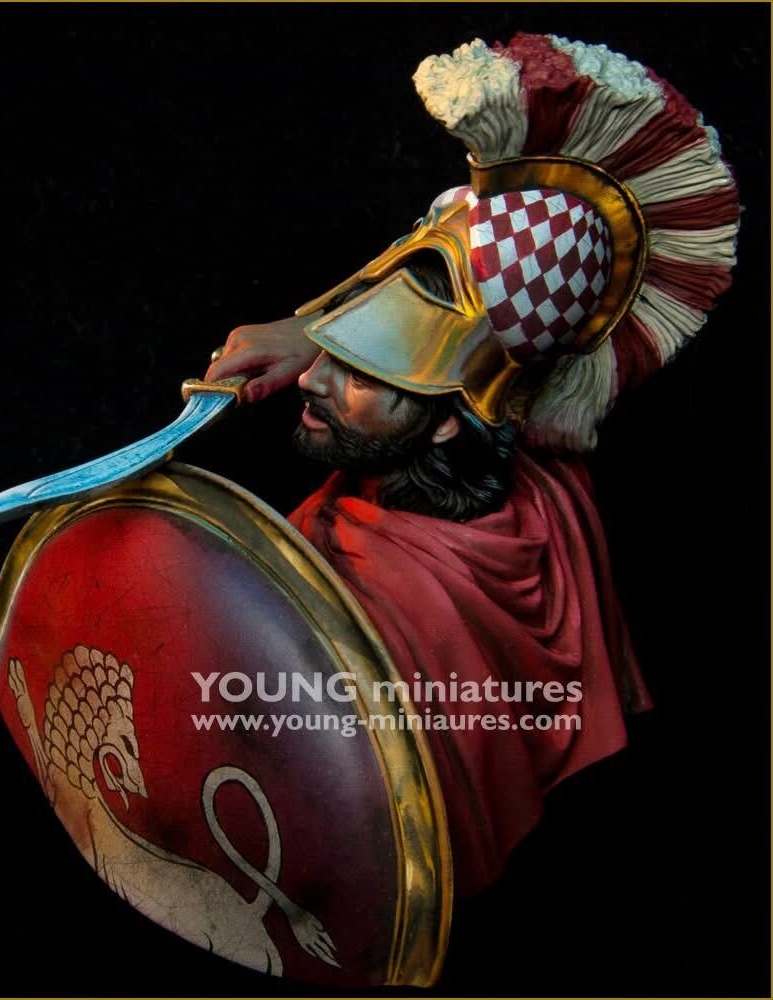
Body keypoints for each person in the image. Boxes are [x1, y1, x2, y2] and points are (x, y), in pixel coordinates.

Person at [203, 32, 739, 897]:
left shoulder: (384, 599)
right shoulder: (549, 490)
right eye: (332, 352)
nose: (309, 378)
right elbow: (441, 283)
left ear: (451, 424)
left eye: (362, 371)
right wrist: (320, 328)